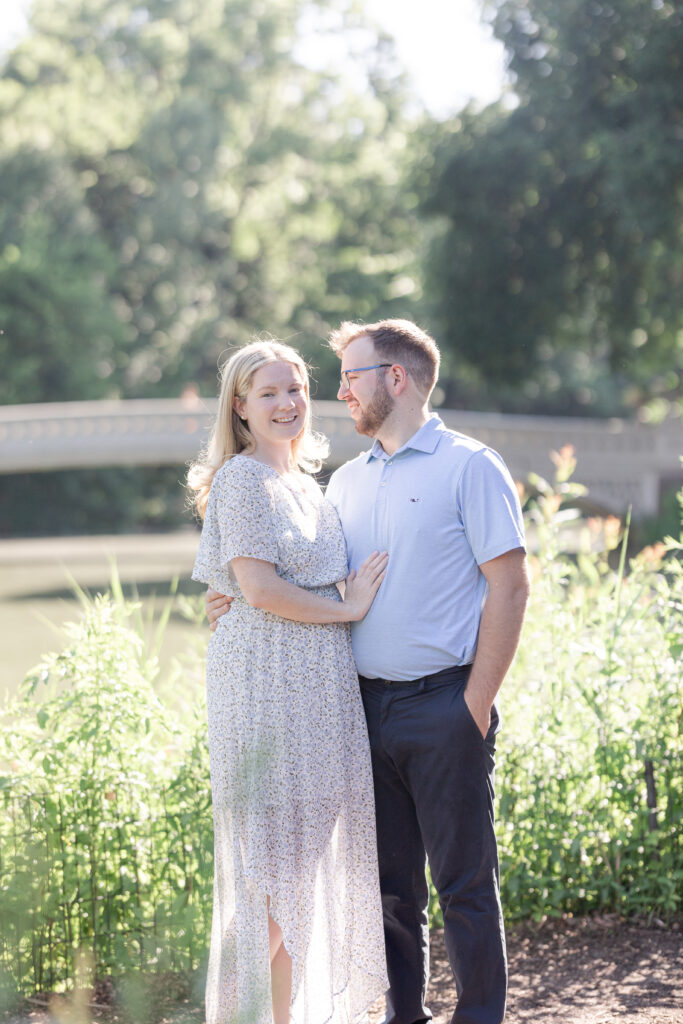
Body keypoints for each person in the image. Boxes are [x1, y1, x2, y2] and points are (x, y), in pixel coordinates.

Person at [207, 320, 530, 1024]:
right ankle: (401, 1018)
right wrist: (236, 597)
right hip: (354, 710)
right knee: (384, 890)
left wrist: (474, 702)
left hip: (444, 704)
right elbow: (295, 575)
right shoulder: (340, 483)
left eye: (348, 376)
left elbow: (509, 586)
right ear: (241, 405)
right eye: (282, 389)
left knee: (465, 886)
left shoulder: (468, 466)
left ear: (396, 377)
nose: (334, 392)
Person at [188, 339, 389, 1024]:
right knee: (275, 874)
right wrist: (347, 608)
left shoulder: (308, 485)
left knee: (295, 873)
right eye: (268, 392)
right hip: (266, 689)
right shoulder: (242, 480)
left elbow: (253, 586)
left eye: (295, 388)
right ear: (240, 407)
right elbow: (259, 588)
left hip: (321, 689)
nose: (285, 403)